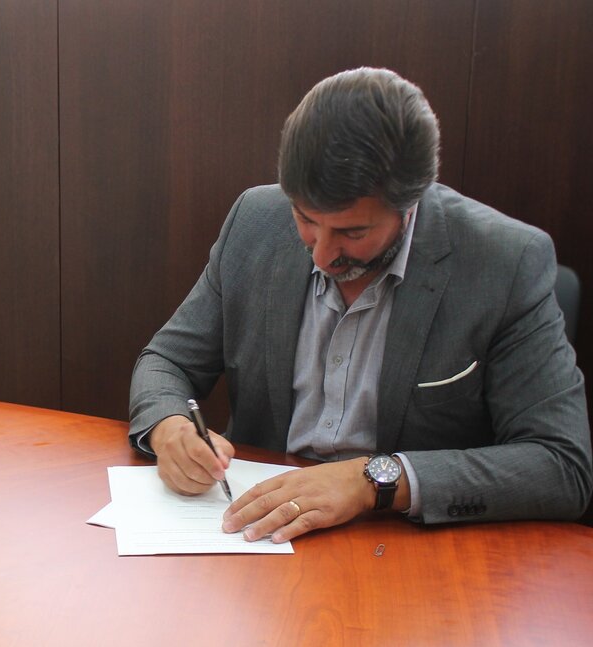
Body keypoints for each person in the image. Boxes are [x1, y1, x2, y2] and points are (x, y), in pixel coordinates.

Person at [129, 67, 593, 544]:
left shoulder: (505, 262)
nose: (321, 255)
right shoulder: (254, 221)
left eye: (352, 232)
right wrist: (170, 427)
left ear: (409, 206)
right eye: (306, 219)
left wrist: (375, 480)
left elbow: (561, 465)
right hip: (259, 536)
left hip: (408, 546)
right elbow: (167, 361)